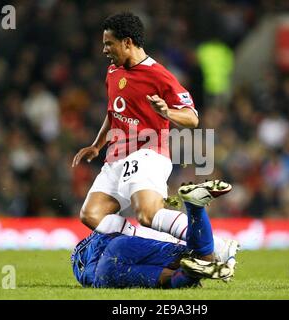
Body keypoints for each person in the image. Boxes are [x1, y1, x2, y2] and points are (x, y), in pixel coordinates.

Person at [71, 12, 235, 259]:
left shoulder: (159, 75)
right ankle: (164, 247)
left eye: (109, 43)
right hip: (116, 156)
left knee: (147, 214)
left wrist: (166, 111)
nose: (104, 49)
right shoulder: (113, 71)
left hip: (148, 153)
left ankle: (217, 246)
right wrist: (97, 145)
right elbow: (113, 111)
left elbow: (192, 118)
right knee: (91, 215)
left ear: (127, 42)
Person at [71, 181, 239, 288]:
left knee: (171, 278)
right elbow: (118, 229)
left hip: (104, 275)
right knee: (197, 258)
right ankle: (195, 207)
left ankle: (193, 274)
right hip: (121, 248)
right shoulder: (139, 229)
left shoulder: (84, 250)